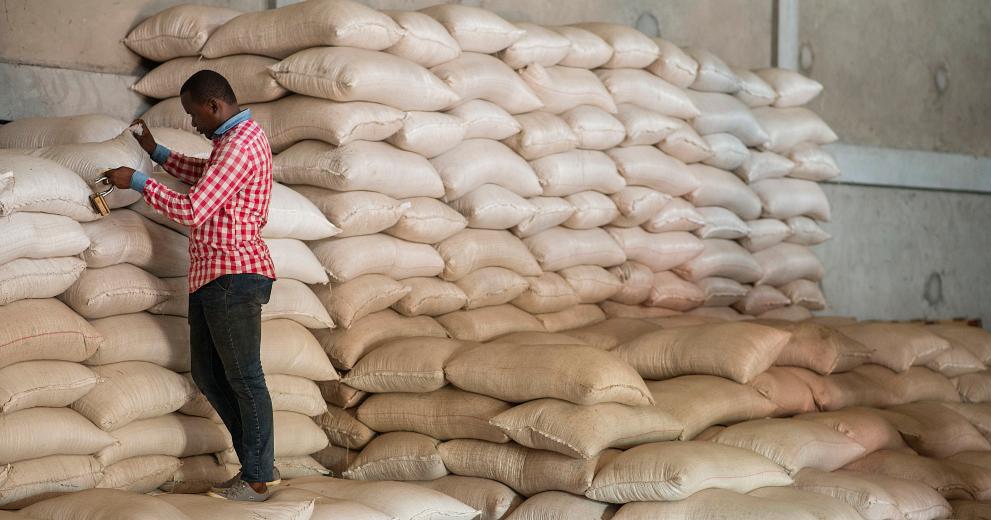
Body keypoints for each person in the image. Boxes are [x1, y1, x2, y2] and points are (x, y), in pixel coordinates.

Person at [105, 70, 278, 502]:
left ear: (214, 106)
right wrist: (157, 152)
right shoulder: (229, 144)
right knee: (209, 374)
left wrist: (140, 181)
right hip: (213, 276)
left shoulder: (240, 145)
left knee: (244, 377)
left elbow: (195, 208)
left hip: (234, 275)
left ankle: (257, 475)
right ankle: (257, 466)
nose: (193, 123)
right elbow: (205, 173)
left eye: (193, 114)